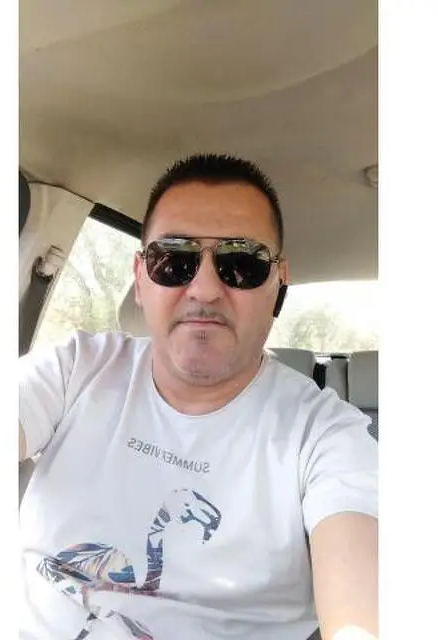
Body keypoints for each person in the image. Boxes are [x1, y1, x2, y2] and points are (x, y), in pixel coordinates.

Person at [19, 154, 378, 640]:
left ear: (278, 284)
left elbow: (360, 604)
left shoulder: (325, 436)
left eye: (242, 264)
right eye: (174, 261)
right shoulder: (75, 368)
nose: (205, 289)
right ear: (140, 277)